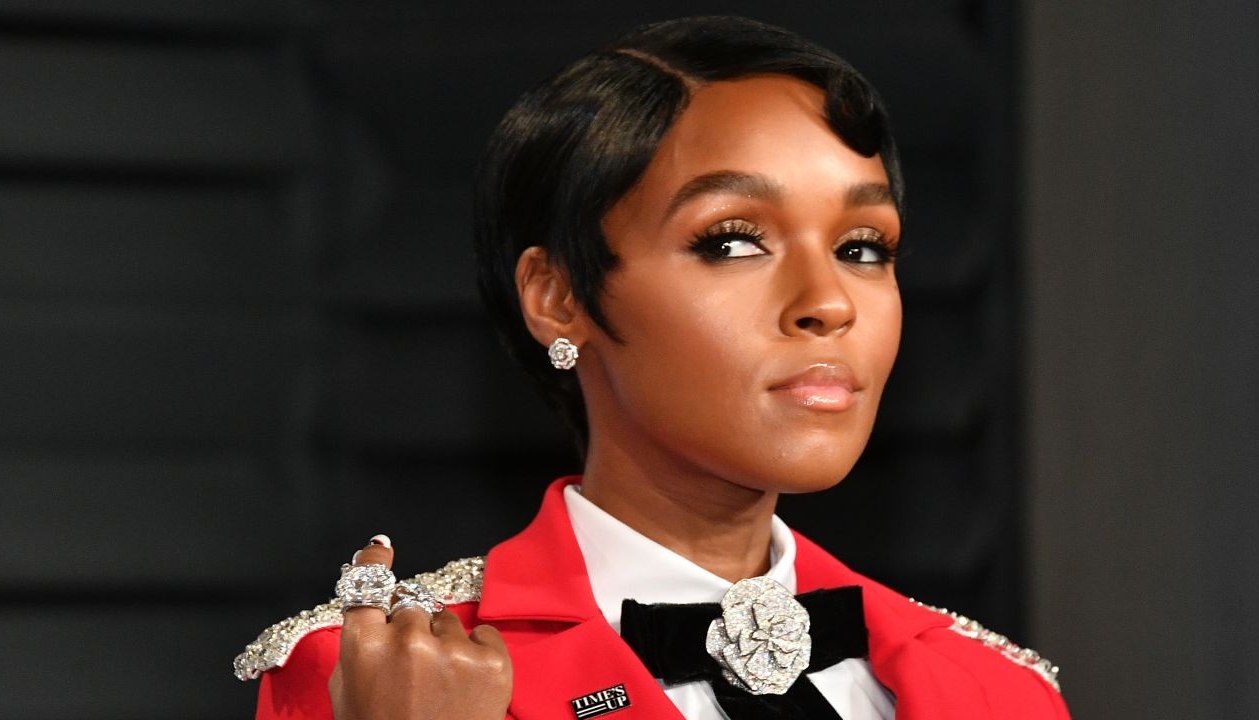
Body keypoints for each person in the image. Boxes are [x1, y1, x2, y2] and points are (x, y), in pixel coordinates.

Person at [234, 16, 1070, 720]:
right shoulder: (371, 675)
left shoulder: (998, 690)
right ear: (558, 296)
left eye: (862, 248)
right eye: (733, 241)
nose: (829, 302)